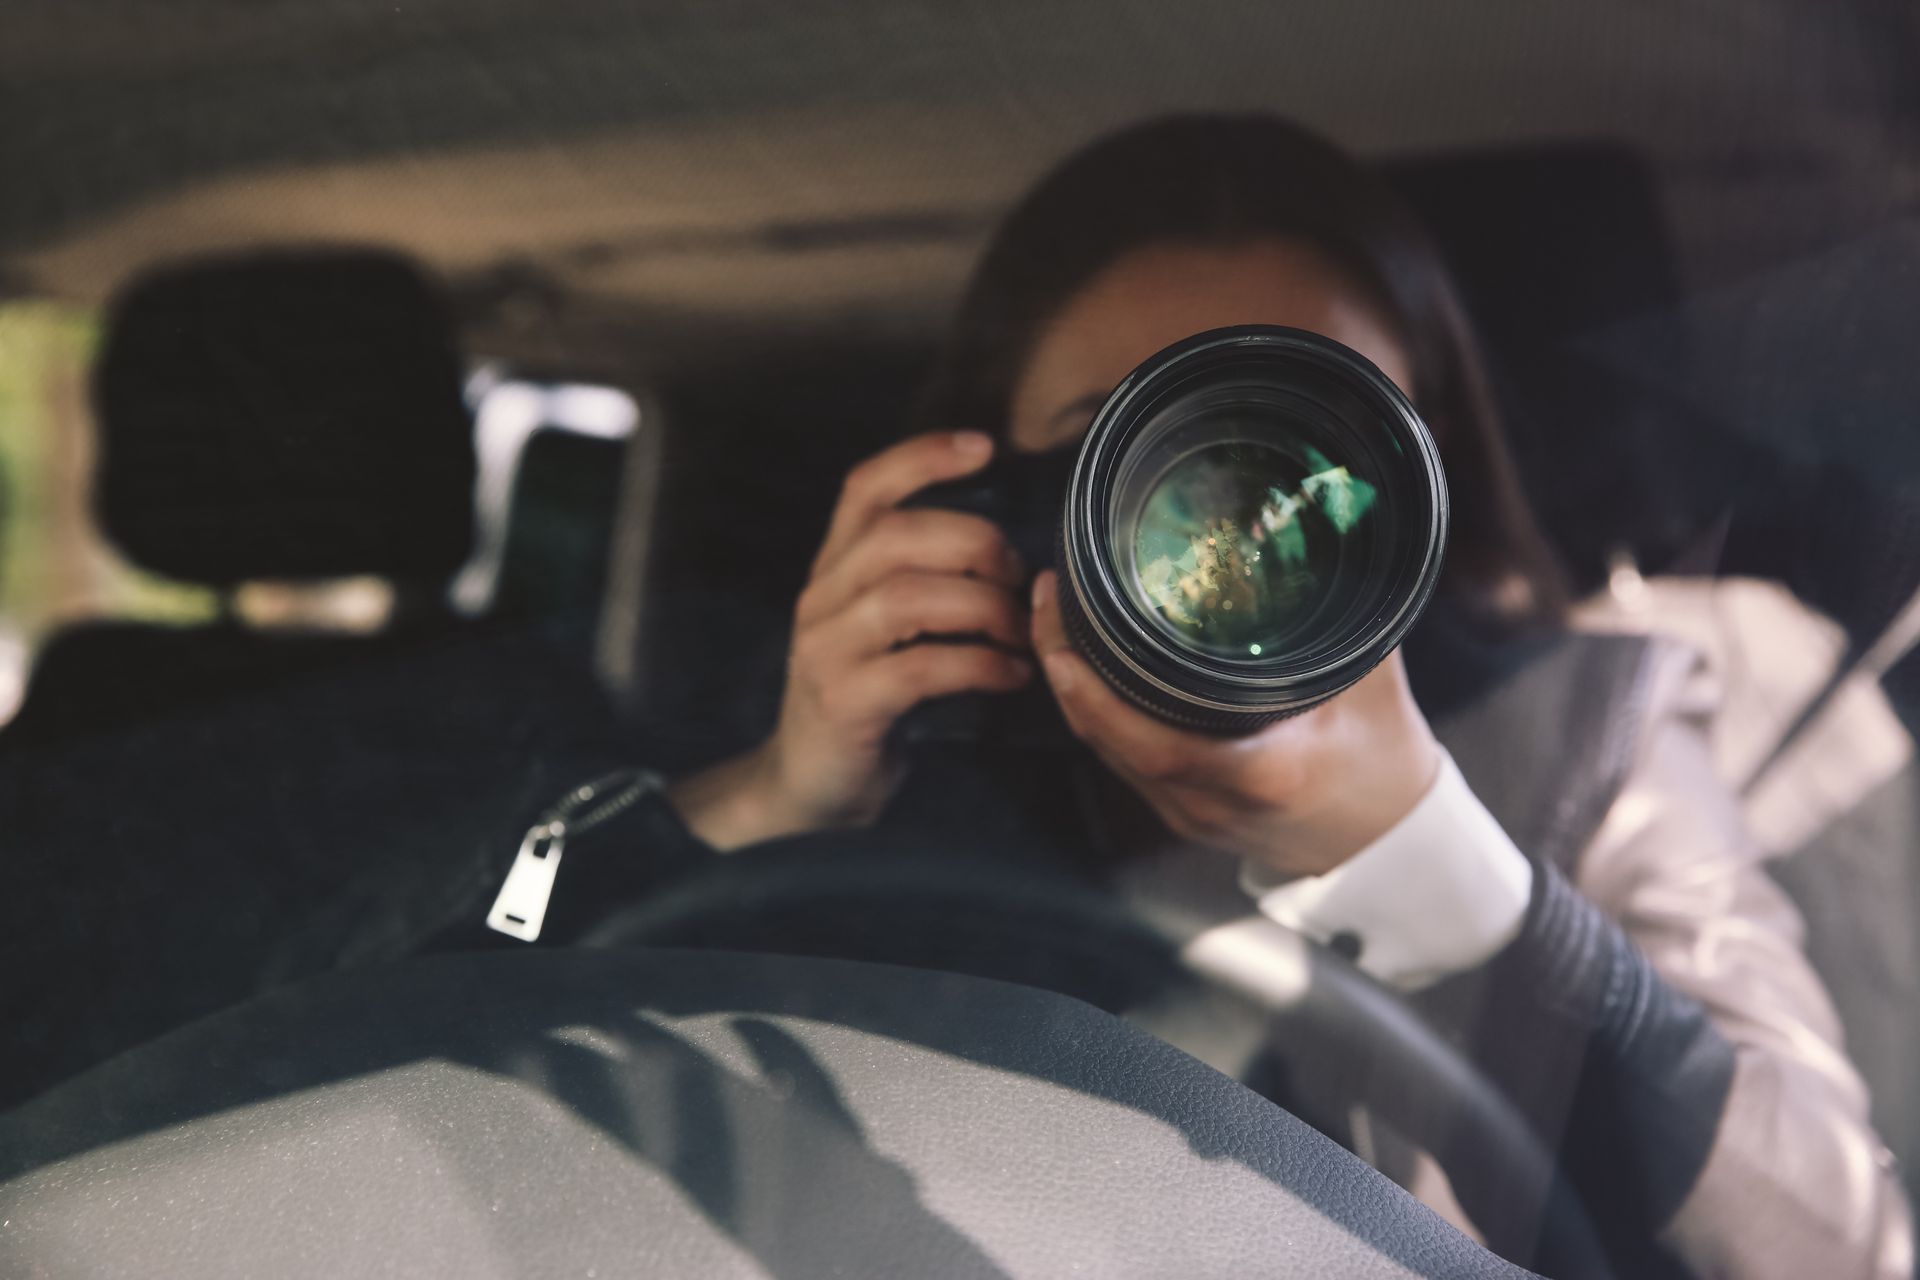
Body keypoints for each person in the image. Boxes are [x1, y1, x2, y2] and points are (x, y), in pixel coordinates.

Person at [576, 117, 1912, 1276]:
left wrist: (1414, 853)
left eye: (1301, 443)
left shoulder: (1579, 731)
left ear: (1419, 468)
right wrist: (768, 804)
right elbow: (489, 1096)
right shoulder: (913, 760)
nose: (1225, 526)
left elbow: (1835, 1255)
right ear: (1001, 489)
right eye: (1127, 441)